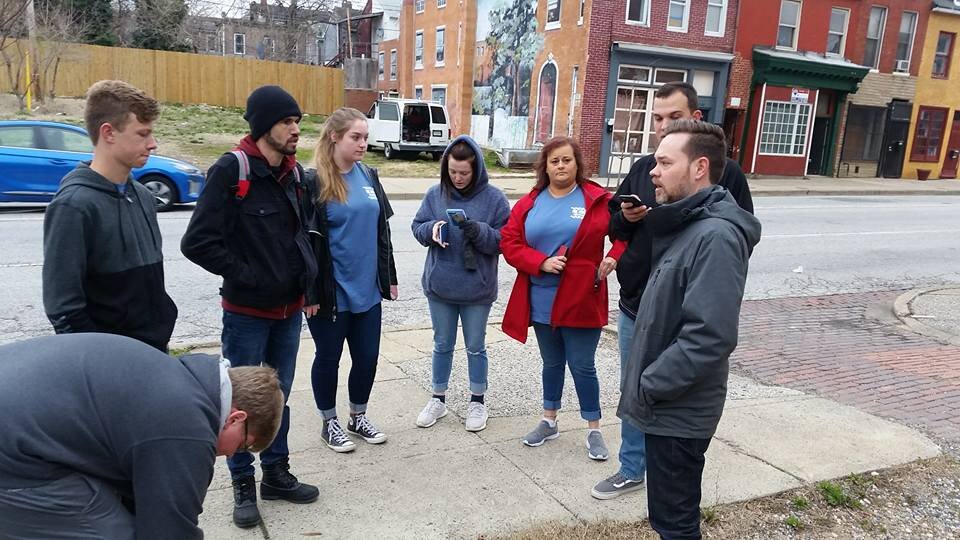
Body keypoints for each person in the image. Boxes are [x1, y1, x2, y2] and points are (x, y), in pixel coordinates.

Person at [593, 81, 754, 500]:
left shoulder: (723, 177)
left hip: (680, 313)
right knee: (639, 396)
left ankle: (665, 479)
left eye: (671, 118)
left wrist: (650, 383)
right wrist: (627, 218)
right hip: (636, 307)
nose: (661, 126)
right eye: (657, 118)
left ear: (694, 119)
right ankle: (633, 468)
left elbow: (731, 243)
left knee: (658, 395)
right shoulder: (649, 166)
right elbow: (616, 226)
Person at [180, 85, 319, 528]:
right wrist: (250, 276)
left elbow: (300, 240)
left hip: (289, 313)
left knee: (278, 398)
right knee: (237, 401)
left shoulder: (296, 175)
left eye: (297, 121)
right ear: (264, 127)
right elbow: (197, 242)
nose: (296, 130)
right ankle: (243, 483)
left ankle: (276, 473)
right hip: (246, 316)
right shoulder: (231, 170)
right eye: (287, 122)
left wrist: (306, 286)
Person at [618, 119, 761, 539]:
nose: (652, 172)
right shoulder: (688, 224)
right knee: (668, 518)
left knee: (675, 524)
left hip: (678, 409)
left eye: (663, 162)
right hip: (667, 403)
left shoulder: (715, 236)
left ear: (699, 168)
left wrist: (650, 384)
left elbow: (709, 335)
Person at [0, 333, 284, 539]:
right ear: (236, 418)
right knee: (115, 533)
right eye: (243, 446)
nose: (232, 455)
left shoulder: (180, 377)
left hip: (17, 417)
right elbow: (169, 530)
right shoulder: (187, 427)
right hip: (13, 458)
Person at [500, 136, 625, 460]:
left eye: (566, 160)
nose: (560, 166)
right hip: (541, 298)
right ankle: (549, 420)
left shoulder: (596, 199)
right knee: (552, 363)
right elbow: (510, 242)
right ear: (545, 166)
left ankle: (594, 428)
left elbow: (624, 233)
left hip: (583, 296)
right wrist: (539, 262)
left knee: (582, 366)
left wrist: (614, 256)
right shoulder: (531, 201)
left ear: (576, 163)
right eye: (554, 161)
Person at [42, 80, 177, 353]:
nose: (153, 144)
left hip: (154, 351)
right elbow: (63, 308)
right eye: (142, 134)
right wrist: (99, 359)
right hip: (108, 364)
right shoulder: (74, 206)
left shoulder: (142, 196)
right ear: (108, 133)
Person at [304, 107, 398, 453]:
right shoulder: (313, 182)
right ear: (334, 137)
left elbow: (381, 231)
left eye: (365, 138)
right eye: (355, 137)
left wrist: (388, 277)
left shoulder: (369, 175)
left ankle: (358, 416)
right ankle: (329, 422)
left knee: (368, 357)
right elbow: (305, 242)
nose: (363, 144)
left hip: (368, 290)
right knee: (328, 358)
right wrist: (309, 292)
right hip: (330, 293)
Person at [411, 135, 510, 431]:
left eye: (464, 173)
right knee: (442, 344)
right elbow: (416, 227)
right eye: (453, 172)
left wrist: (479, 231)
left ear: (476, 168)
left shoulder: (495, 199)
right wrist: (431, 230)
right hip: (440, 285)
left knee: (476, 346)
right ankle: (438, 398)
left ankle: (478, 402)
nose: (458, 178)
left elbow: (505, 241)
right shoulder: (435, 194)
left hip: (477, 289)